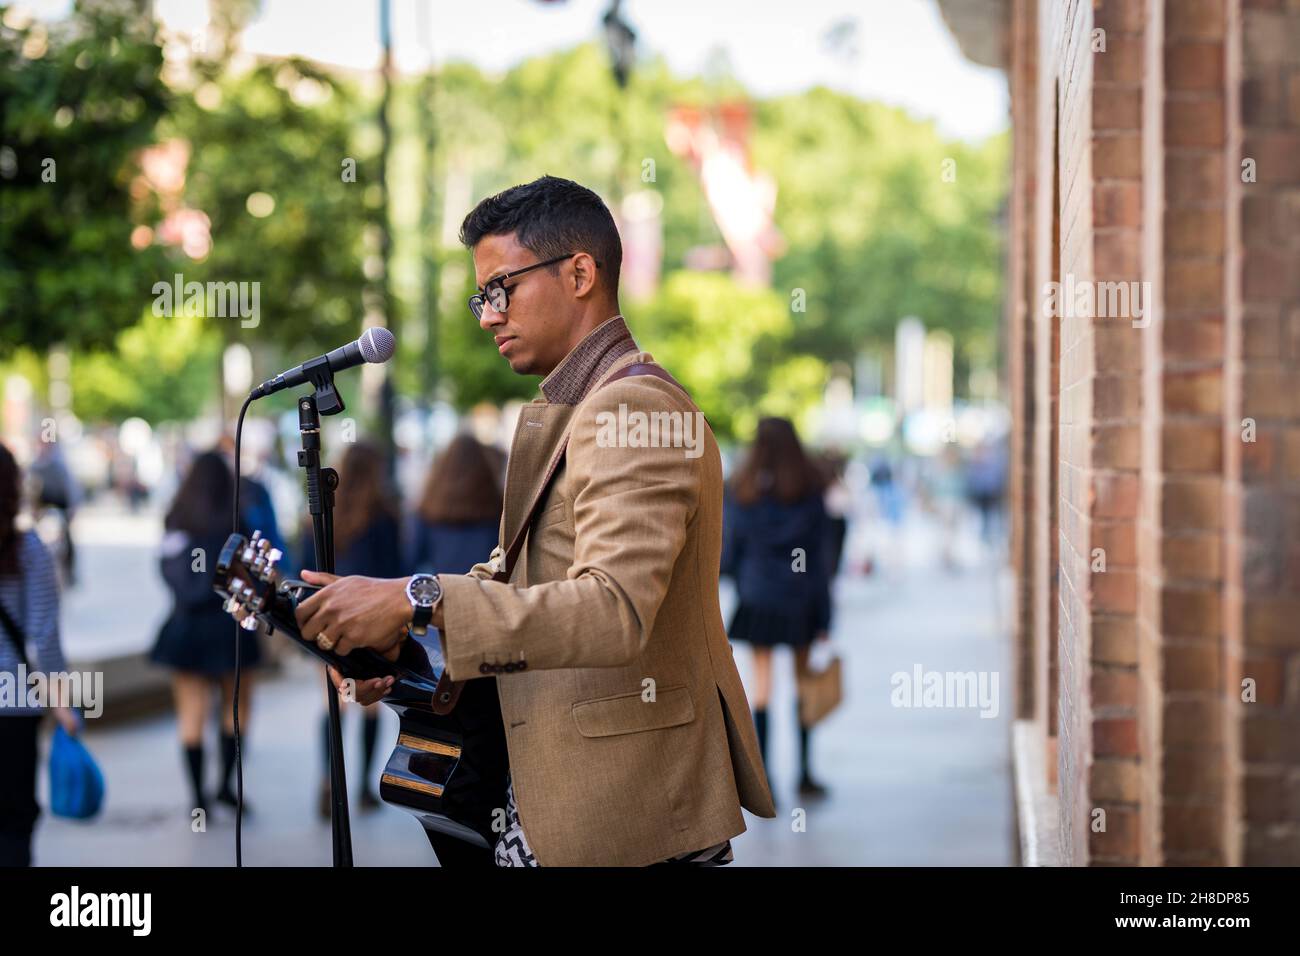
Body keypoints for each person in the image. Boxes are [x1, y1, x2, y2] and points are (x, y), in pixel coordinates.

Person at [293, 175, 776, 867]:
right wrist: (407, 635)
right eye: (480, 296)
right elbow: (520, 580)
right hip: (574, 806)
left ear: (580, 273)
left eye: (501, 289)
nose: (487, 315)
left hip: (625, 817)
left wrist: (414, 598)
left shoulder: (632, 410)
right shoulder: (582, 407)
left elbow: (613, 609)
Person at [721, 417, 834, 800]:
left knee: (763, 687)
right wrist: (825, 614)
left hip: (757, 597)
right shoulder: (811, 488)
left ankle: (765, 779)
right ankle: (804, 775)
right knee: (803, 683)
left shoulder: (741, 488)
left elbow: (730, 550)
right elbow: (820, 560)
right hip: (800, 597)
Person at [149, 450, 259, 817]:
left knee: (190, 714)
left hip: (188, 628)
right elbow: (248, 574)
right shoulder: (234, 519)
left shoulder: (177, 518)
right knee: (237, 710)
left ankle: (198, 799)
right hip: (230, 626)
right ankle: (226, 786)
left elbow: (167, 570)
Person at [299, 441, 403, 820]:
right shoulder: (384, 515)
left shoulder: (321, 515)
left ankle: (329, 782)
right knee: (369, 706)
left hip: (326, 620)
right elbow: (396, 572)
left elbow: (302, 568)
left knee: (333, 702)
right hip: (371, 622)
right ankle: (361, 789)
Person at [0, 442, 80, 866]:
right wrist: (63, 705)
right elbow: (45, 636)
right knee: (13, 823)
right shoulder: (29, 549)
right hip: (12, 702)